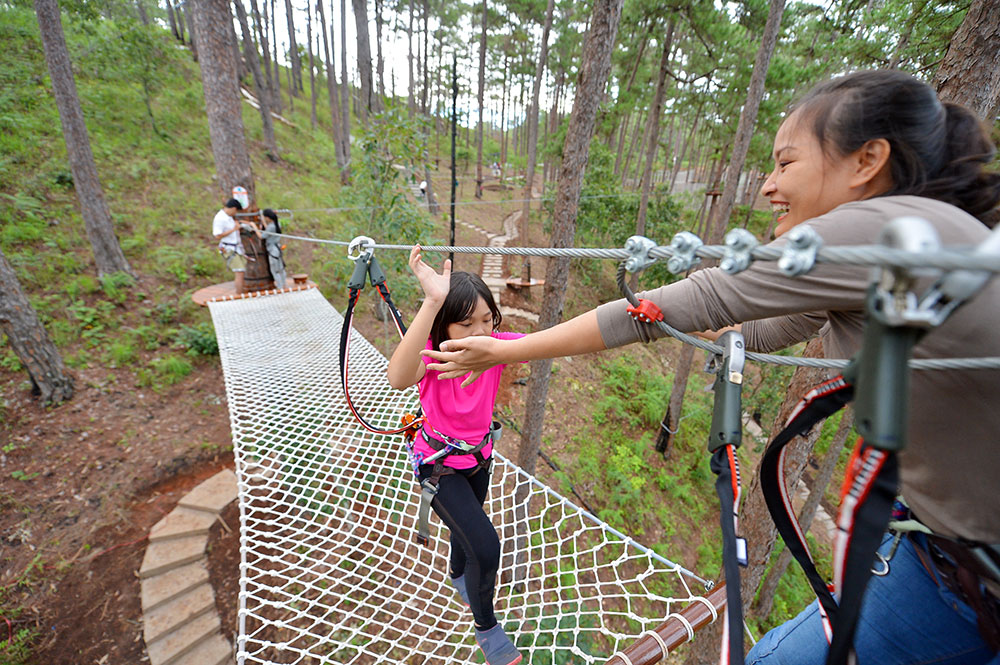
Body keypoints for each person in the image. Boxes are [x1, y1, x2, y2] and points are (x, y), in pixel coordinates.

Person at [422, 70, 1000, 665]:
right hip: (954, 563)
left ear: (866, 161)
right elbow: (784, 324)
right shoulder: (919, 236)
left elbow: (686, 302)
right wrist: (730, 341)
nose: (769, 185)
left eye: (785, 163)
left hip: (958, 576)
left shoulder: (881, 229)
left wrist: (506, 349)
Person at [386, 246, 524, 665]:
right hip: (439, 466)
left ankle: (457, 575)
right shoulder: (432, 356)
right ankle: (486, 628)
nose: (480, 331)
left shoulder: (495, 349)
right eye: (466, 324)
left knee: (467, 531)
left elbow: (553, 343)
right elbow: (396, 378)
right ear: (444, 330)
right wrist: (431, 301)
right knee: (485, 546)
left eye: (487, 320)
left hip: (479, 458)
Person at [212, 197, 247, 293]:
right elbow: (217, 235)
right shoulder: (220, 218)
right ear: (233, 209)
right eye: (236, 212)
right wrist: (234, 229)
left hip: (236, 246)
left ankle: (241, 292)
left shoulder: (229, 217)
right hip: (229, 248)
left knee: (242, 270)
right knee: (239, 271)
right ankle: (239, 295)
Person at [260, 209, 287, 289]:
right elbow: (268, 229)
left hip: (273, 250)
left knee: (275, 270)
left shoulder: (271, 227)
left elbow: (262, 236)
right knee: (281, 268)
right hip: (278, 248)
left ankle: (280, 286)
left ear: (268, 218)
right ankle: (283, 284)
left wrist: (254, 226)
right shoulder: (277, 223)